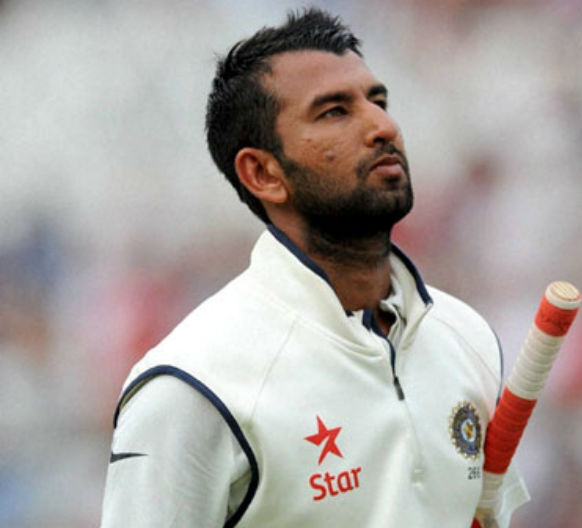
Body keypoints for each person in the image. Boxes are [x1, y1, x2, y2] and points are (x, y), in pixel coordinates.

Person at [100, 8, 529, 527]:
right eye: (334, 112)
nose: (384, 126)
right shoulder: (191, 385)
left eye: (378, 101)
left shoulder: (466, 337)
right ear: (262, 173)